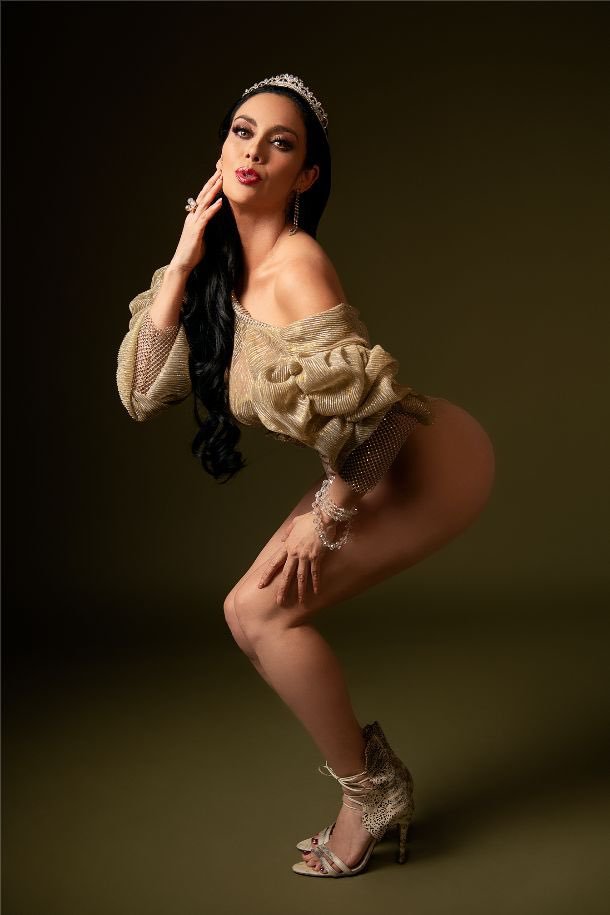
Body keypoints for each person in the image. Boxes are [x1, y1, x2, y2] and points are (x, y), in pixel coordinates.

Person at [116, 74, 496, 878]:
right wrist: (181, 262)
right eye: (242, 132)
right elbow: (143, 392)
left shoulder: (297, 268)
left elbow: (387, 419)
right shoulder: (221, 267)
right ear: (222, 148)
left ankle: (372, 794)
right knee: (242, 610)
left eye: (280, 143)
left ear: (306, 175)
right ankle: (372, 781)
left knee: (264, 616)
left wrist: (325, 515)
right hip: (359, 467)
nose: (253, 151)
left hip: (422, 464)